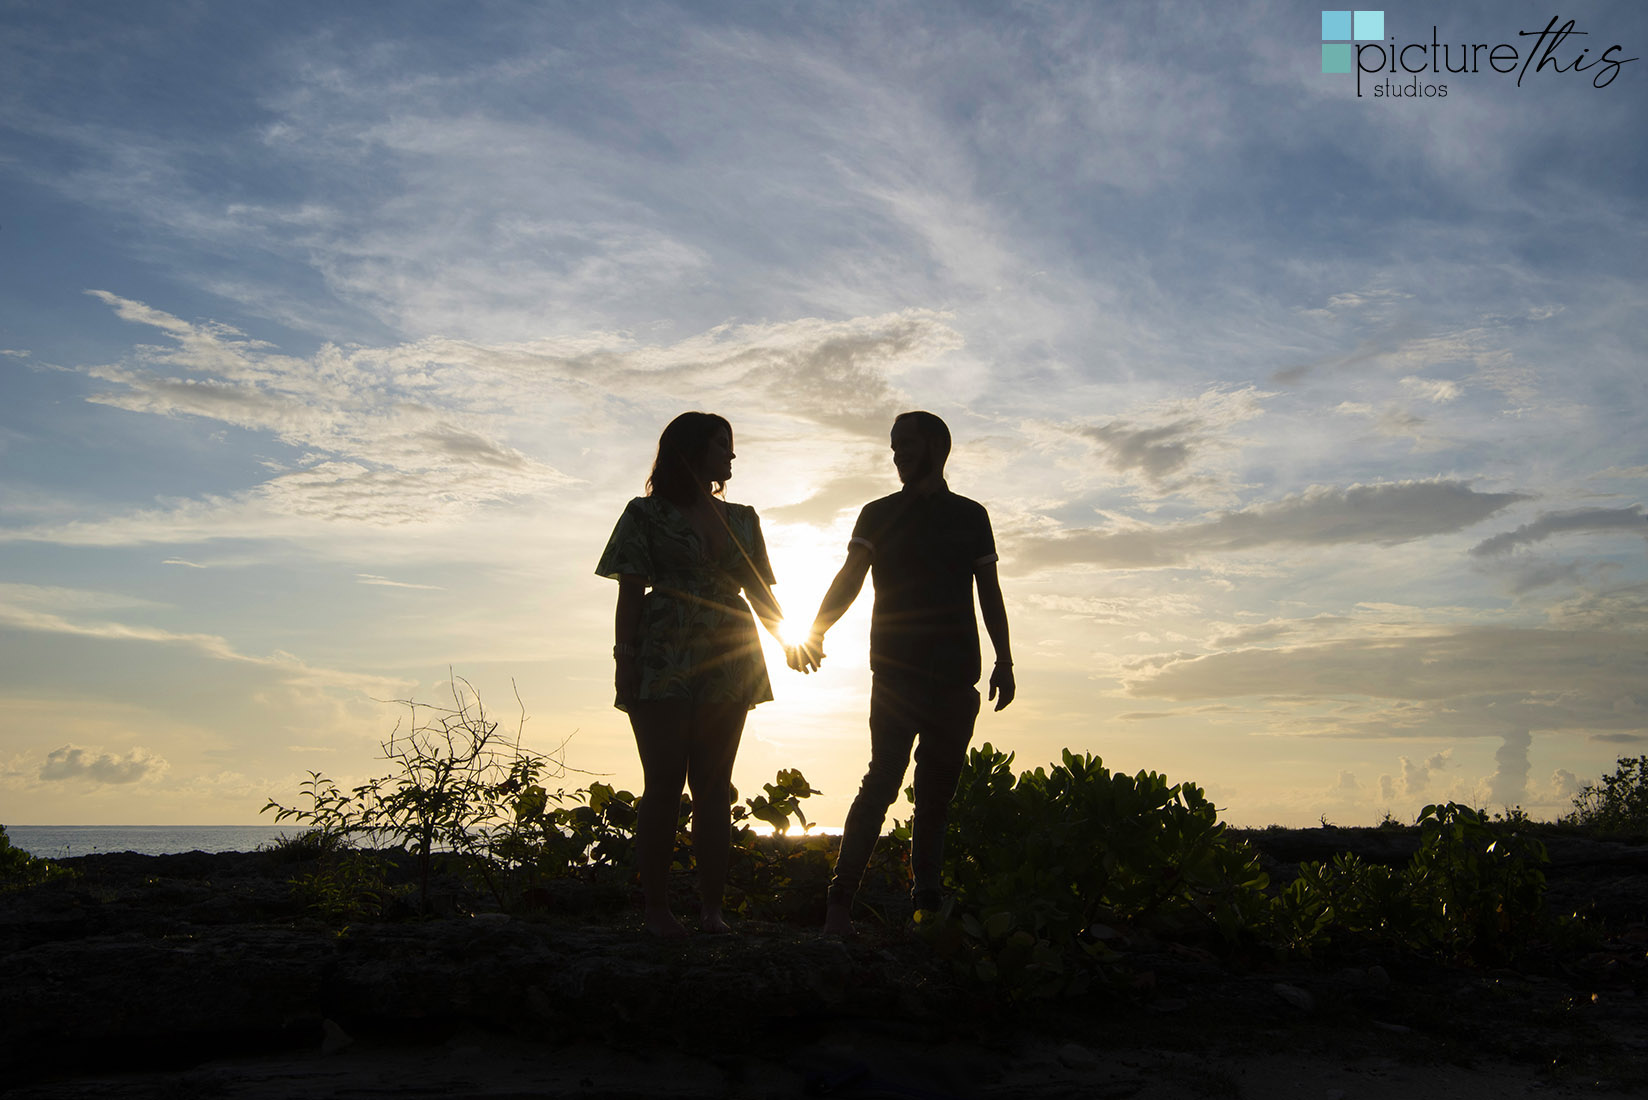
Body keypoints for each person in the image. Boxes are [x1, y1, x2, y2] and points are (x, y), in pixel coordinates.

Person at [790, 411, 1014, 935]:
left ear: (936, 446)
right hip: (895, 673)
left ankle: (926, 908)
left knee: (936, 796)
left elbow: (990, 593)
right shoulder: (877, 514)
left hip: (959, 677)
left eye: (906, 445)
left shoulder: (971, 516)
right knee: (882, 782)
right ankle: (839, 907)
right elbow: (850, 577)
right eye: (893, 448)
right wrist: (815, 630)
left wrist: (1004, 659)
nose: (897, 455)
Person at [595, 412, 786, 938]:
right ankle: (657, 909)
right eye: (722, 445)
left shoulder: (743, 518)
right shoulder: (646, 514)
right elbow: (630, 589)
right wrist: (624, 660)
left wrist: (791, 641)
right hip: (664, 648)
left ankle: (711, 912)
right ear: (691, 450)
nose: (731, 456)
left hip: (731, 649)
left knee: (713, 785)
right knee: (663, 783)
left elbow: (758, 590)